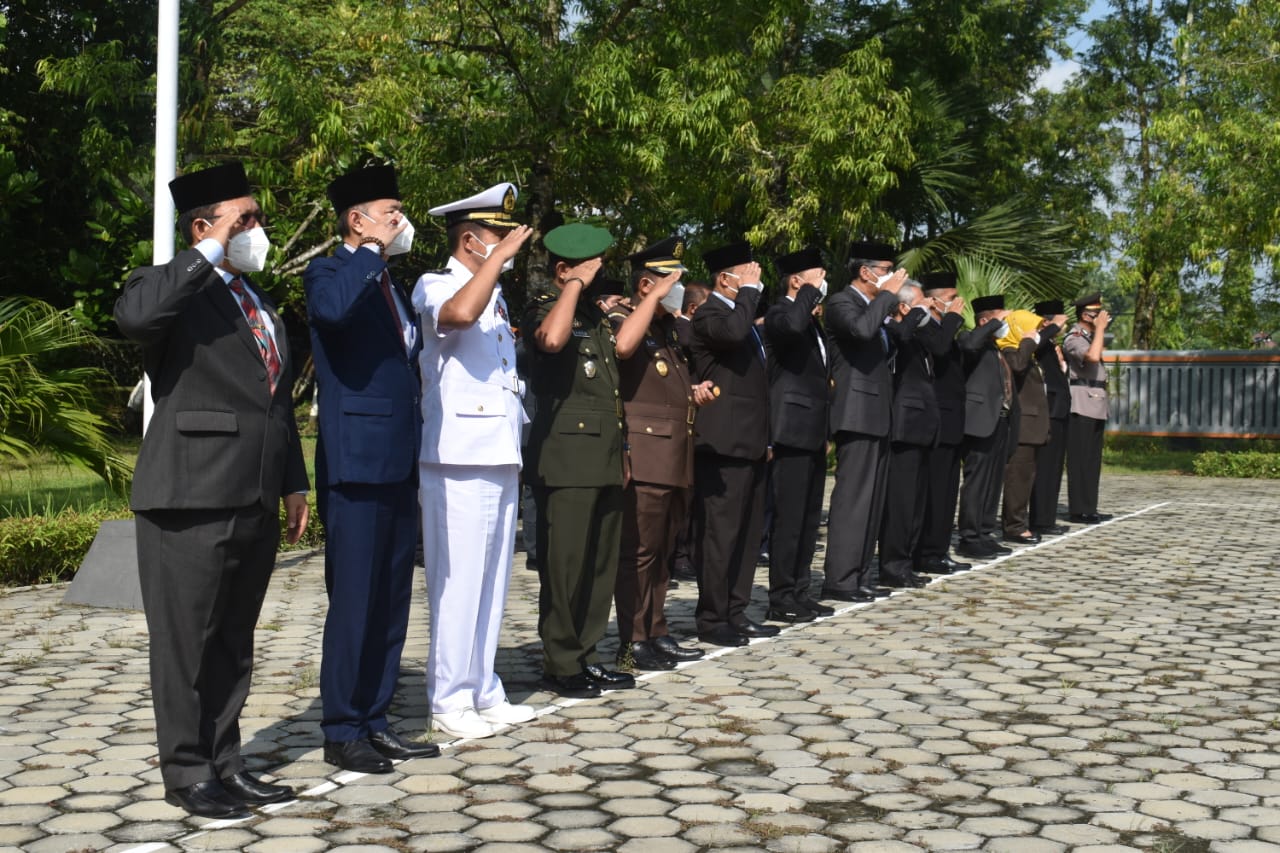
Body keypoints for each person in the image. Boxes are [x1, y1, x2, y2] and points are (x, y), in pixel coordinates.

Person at [115, 161, 309, 818]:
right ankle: (187, 770)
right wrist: (205, 249)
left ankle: (226, 759)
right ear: (205, 227)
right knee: (187, 645)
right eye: (243, 219)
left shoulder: (258, 301)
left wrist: (293, 482)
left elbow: (275, 403)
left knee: (232, 640)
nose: (258, 229)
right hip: (189, 495)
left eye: (256, 217)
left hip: (252, 491)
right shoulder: (169, 287)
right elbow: (136, 318)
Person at [305, 164, 438, 773]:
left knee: (390, 598)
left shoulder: (385, 282)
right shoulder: (332, 270)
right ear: (356, 220)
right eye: (390, 211)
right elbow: (332, 314)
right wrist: (370, 253)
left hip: (396, 457)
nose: (400, 221)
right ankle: (341, 727)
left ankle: (376, 718)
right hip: (356, 459)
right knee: (355, 599)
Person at [412, 182, 538, 739]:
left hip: (497, 451)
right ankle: (448, 699)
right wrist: (501, 261)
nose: (508, 245)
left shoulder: (496, 293)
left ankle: (484, 688)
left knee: (491, 581)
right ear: (471, 239)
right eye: (497, 237)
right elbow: (459, 315)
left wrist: (499, 266)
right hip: (456, 457)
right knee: (457, 581)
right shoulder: (435, 283)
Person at [524, 222, 637, 698]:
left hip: (605, 454)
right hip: (567, 457)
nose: (596, 274)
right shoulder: (547, 307)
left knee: (598, 564)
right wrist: (571, 285)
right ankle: (561, 662)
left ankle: (587, 654)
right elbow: (550, 342)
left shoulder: (592, 315)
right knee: (566, 564)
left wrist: (623, 452)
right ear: (563, 269)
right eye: (587, 266)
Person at [610, 236, 714, 671]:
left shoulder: (667, 328)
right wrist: (649, 300)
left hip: (675, 455)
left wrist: (692, 392)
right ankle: (633, 639)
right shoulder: (624, 317)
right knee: (640, 551)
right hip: (648, 454)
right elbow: (623, 349)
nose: (677, 288)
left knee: (664, 549)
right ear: (646, 283)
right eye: (669, 280)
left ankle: (656, 630)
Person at [687, 240, 779, 647]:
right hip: (723, 442)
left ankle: (736, 610)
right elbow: (733, 332)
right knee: (720, 534)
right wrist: (748, 294)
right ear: (725, 279)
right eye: (747, 273)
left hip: (752, 440)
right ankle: (712, 618)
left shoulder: (741, 313)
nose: (755, 281)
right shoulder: (710, 313)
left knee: (746, 533)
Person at [822, 241, 906, 603]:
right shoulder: (843, 302)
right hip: (855, 412)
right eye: (885, 268)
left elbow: (894, 341)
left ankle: (857, 573)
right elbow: (860, 331)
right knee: (853, 499)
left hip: (878, 413)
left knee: (872, 502)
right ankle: (839, 578)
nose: (891, 276)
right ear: (865, 271)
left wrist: (898, 310)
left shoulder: (877, 307)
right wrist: (886, 298)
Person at [761, 247, 835, 622]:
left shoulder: (812, 320)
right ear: (796, 280)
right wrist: (808, 293)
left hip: (813, 431)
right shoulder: (779, 313)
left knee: (808, 519)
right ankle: (781, 597)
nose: (823, 284)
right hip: (790, 430)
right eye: (817, 276)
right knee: (789, 519)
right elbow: (788, 327)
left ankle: (800, 590)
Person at [877, 280, 939, 589]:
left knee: (915, 502)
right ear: (903, 307)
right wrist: (914, 313)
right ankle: (892, 564)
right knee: (900, 502)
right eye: (919, 302)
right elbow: (898, 335)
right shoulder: (892, 327)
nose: (926, 306)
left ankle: (908, 561)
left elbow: (940, 345)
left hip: (923, 424)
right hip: (904, 424)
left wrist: (925, 316)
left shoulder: (918, 333)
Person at [912, 272, 971, 575]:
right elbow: (939, 349)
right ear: (934, 300)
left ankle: (940, 548)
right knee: (934, 492)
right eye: (950, 298)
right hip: (935, 418)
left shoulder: (945, 327)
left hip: (953, 419)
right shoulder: (925, 326)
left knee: (948, 492)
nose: (956, 304)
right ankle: (927, 552)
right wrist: (951, 319)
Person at [955, 295, 1014, 560]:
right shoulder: (971, 339)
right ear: (984, 321)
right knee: (977, 481)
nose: (1005, 325)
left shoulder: (994, 347)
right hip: (979, 420)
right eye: (1000, 319)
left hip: (999, 419)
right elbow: (968, 346)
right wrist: (992, 325)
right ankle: (969, 537)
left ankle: (984, 532)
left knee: (992, 481)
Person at [997, 309, 1058, 544]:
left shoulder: (1025, 352)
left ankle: (1019, 522)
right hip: (1023, 426)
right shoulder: (1011, 349)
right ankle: (1014, 526)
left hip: (1034, 425)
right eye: (1033, 327)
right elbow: (1018, 367)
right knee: (1017, 479)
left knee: (1025, 477)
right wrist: (1026, 341)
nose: (1037, 333)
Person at [1063, 292, 1112, 523]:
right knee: (1080, 460)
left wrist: (1098, 330)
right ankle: (1078, 509)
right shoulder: (1074, 337)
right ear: (1085, 315)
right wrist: (1100, 329)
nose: (1101, 316)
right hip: (1081, 404)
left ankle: (1089, 507)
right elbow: (1092, 358)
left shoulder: (1089, 336)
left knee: (1092, 461)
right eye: (1096, 313)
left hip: (1096, 403)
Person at [1030, 299, 1072, 536]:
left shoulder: (1055, 345)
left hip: (1060, 409)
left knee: (1055, 467)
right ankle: (1040, 519)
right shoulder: (1039, 340)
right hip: (1049, 409)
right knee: (1045, 467)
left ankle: (1047, 516)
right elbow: (1035, 344)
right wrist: (1051, 327)